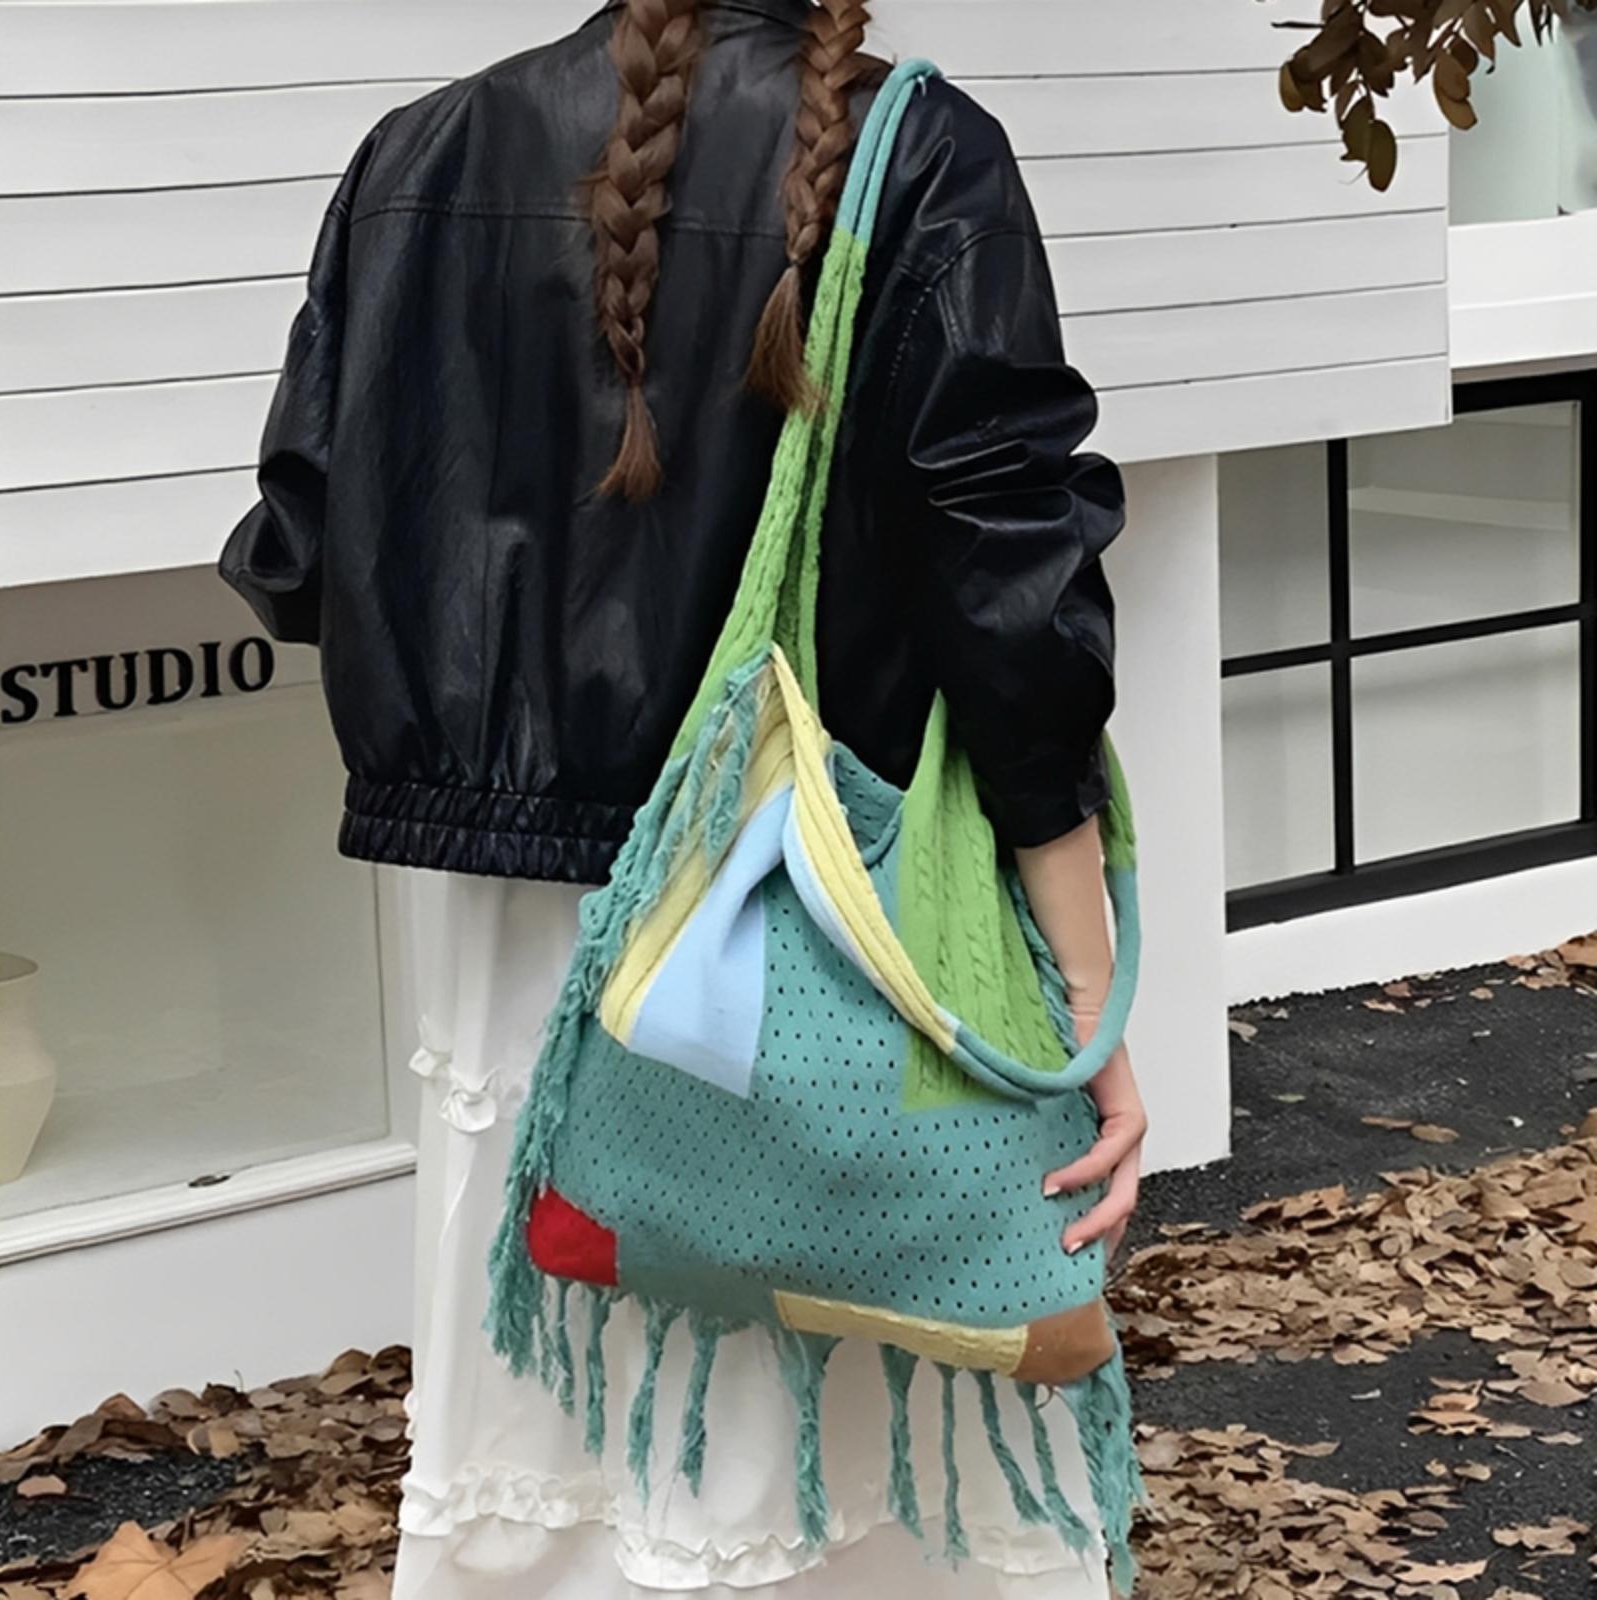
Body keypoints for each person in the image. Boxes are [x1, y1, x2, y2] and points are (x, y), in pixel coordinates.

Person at [218, 1, 1148, 1596]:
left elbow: (302, 552)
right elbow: (1008, 594)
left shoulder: (419, 155)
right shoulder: (921, 153)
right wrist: (1084, 987)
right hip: (816, 922)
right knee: (816, 1438)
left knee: (563, 1439)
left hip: (522, 945)